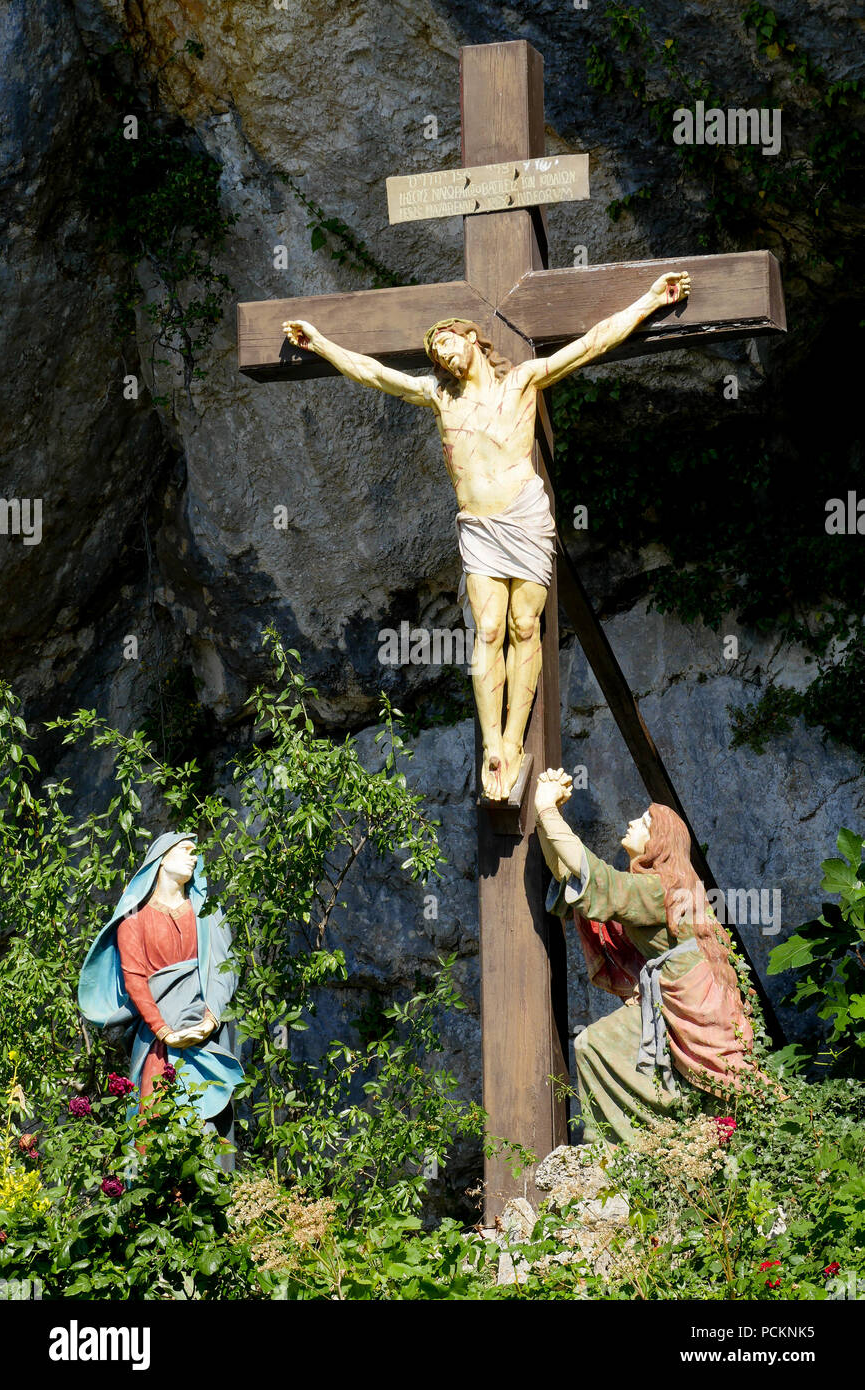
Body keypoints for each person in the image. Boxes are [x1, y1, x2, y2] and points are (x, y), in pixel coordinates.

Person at [282, 270, 690, 800]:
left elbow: (591, 343)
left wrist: (648, 301)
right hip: (478, 526)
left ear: (471, 337)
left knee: (526, 627)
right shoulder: (438, 396)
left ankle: (515, 740)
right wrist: (321, 344)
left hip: (524, 516)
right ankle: (493, 743)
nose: (442, 356)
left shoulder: (522, 381)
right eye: (435, 353)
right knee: (489, 632)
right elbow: (373, 373)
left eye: (446, 343)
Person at [534, 768, 763, 1144]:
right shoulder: (652, 887)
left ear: (659, 843)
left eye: (643, 822)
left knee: (713, 1085)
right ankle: (642, 1146)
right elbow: (570, 877)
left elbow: (600, 880)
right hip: (667, 994)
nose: (631, 823)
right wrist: (547, 819)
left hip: (691, 1000)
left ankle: (658, 1146)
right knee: (593, 1044)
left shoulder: (660, 889)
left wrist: (548, 812)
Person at [78, 832, 243, 1148]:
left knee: (207, 1131)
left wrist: (210, 1019)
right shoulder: (134, 916)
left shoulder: (207, 912)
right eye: (185, 850)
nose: (193, 858)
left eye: (196, 853)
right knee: (155, 1128)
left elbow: (226, 969)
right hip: (157, 1041)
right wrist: (165, 1031)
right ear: (162, 857)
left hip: (205, 1036)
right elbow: (135, 979)